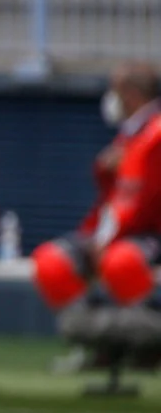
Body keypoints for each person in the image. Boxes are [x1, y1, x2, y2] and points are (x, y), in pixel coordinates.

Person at [33, 63, 161, 313]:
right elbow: (111, 199)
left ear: (132, 94)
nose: (110, 99)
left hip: (149, 234)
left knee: (121, 262)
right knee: (51, 261)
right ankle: (94, 337)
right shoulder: (130, 133)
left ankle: (147, 343)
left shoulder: (153, 136)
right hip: (115, 232)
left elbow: (137, 200)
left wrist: (104, 241)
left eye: (114, 90)